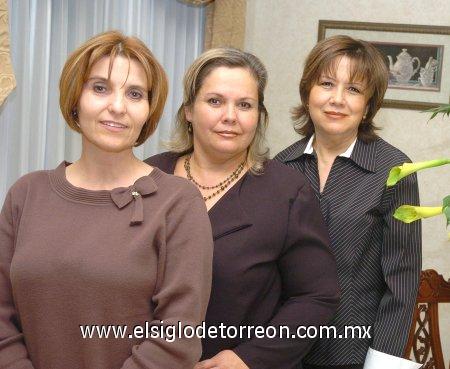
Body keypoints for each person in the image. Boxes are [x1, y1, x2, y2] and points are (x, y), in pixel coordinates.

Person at [0, 31, 213, 369]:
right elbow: (2, 320)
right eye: (100, 88)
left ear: (148, 110)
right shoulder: (25, 195)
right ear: (75, 98)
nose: (117, 107)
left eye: (134, 94)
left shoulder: (178, 203)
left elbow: (177, 336)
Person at [145, 47, 340, 369]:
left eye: (245, 105)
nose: (230, 117)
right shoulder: (146, 179)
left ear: (259, 117)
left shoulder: (287, 193)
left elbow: (317, 296)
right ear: (188, 111)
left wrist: (248, 358)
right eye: (215, 101)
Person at [275, 35, 422, 369]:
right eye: (326, 83)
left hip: (355, 353)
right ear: (307, 92)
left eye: (354, 89)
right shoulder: (280, 168)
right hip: (283, 352)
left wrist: (382, 363)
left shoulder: (395, 171)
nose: (337, 99)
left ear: (369, 104)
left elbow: (403, 279)